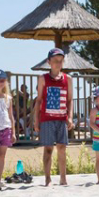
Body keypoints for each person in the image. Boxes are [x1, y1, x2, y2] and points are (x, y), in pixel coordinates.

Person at [32, 48, 73, 186]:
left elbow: (69, 100)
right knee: (48, 149)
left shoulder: (68, 79)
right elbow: (38, 100)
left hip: (62, 119)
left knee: (62, 148)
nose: (58, 63)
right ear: (49, 62)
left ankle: (63, 178)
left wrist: (70, 117)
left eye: (60, 61)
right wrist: (36, 120)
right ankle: (48, 178)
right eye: (55, 60)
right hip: (47, 119)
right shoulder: (43, 78)